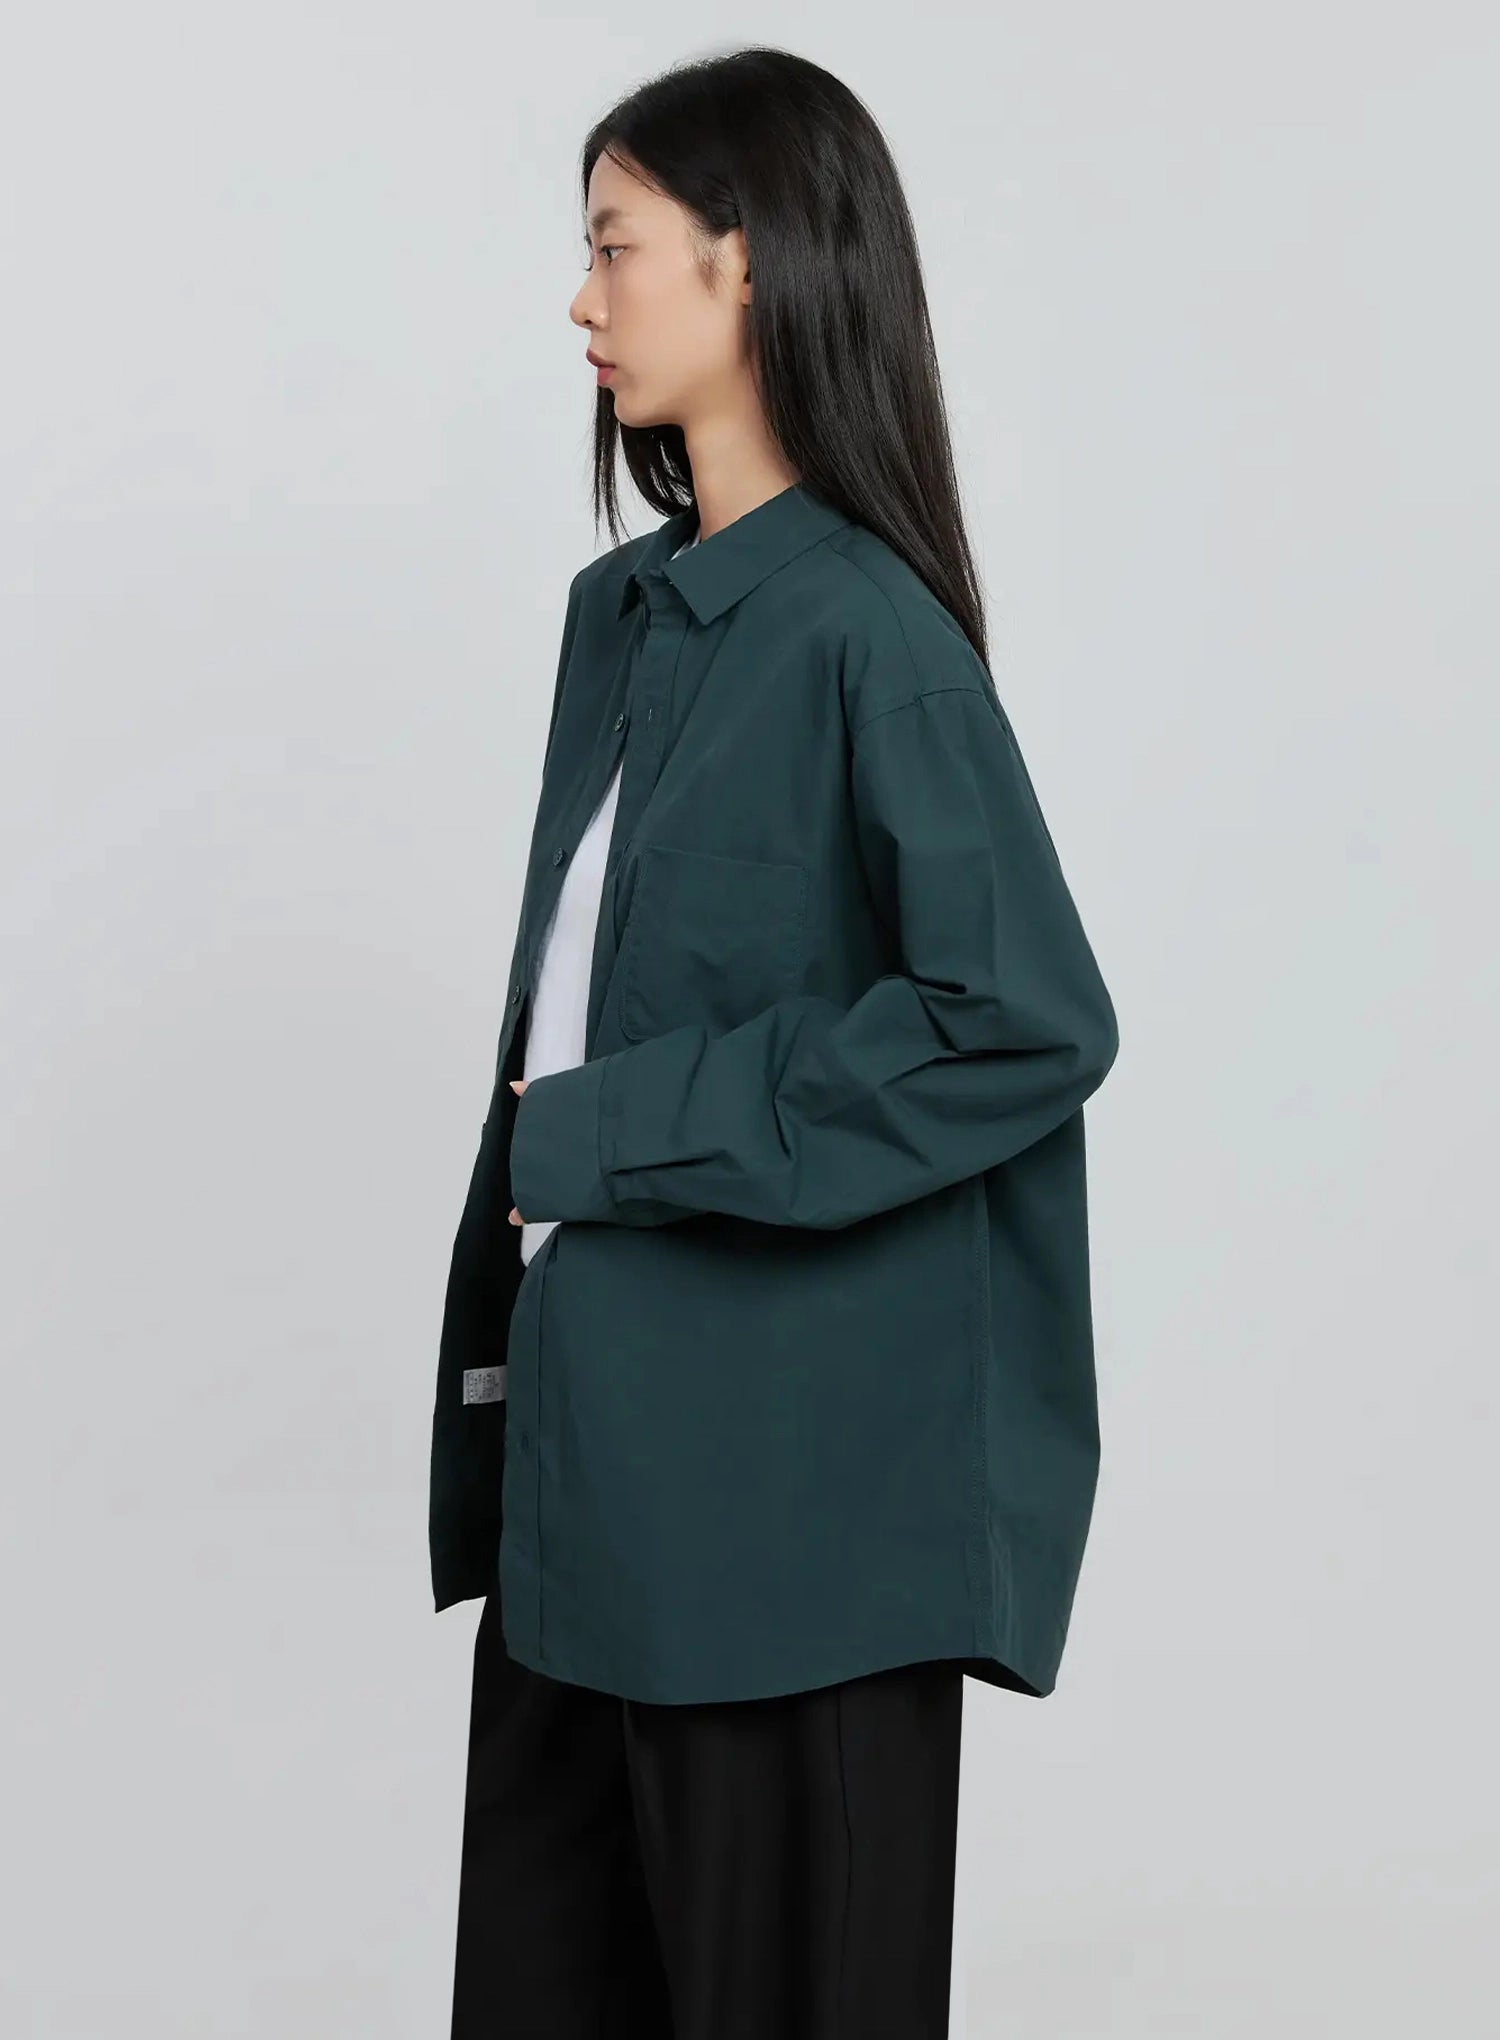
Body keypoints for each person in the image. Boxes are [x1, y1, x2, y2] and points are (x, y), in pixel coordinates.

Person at [431, 44, 1120, 2040]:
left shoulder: (869, 635)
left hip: (793, 1549)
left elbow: (1020, 1018)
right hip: (589, 1507)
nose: (581, 299)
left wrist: (608, 1130)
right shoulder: (622, 620)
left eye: (616, 248)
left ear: (750, 264)